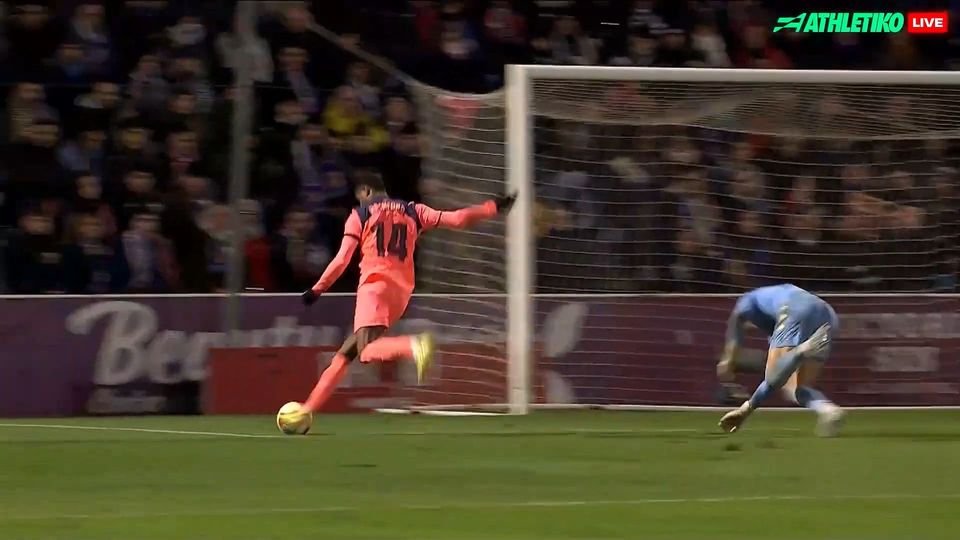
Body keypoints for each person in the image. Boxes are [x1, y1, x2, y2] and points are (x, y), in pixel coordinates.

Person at [290, 170, 516, 419]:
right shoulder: (413, 210)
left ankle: (412, 346)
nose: (360, 200)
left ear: (365, 191)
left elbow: (342, 259)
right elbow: (458, 219)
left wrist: (317, 289)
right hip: (401, 292)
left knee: (365, 351)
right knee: (346, 354)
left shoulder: (360, 215)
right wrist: (492, 207)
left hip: (375, 287)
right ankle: (307, 409)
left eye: (359, 196)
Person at [716, 283, 845, 436]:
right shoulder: (773, 302)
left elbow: (736, 321)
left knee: (774, 377)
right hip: (827, 314)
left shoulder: (747, 300)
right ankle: (828, 410)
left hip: (795, 307)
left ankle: (801, 350)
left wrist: (728, 360)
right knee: (796, 388)